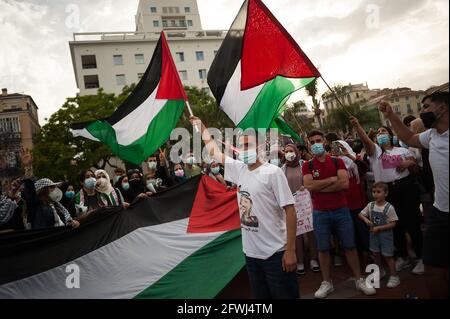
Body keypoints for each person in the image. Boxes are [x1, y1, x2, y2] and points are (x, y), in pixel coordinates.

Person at [191, 116, 299, 299]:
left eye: (248, 145)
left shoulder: (272, 173)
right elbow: (215, 153)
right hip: (251, 255)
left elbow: (290, 210)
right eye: (241, 146)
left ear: (260, 147)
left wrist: (290, 250)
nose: (243, 150)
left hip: (276, 254)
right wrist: (201, 128)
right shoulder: (239, 169)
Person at [378, 92, 449, 298]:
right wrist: (391, 115)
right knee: (433, 269)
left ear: (442, 108)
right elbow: (408, 137)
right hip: (440, 213)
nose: (422, 111)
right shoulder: (433, 135)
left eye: (426, 107)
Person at [302, 130, 376, 298]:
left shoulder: (337, 162)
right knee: (323, 249)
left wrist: (320, 186)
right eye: (312, 141)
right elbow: (309, 186)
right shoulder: (308, 165)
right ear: (308, 144)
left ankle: (359, 279)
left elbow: (343, 184)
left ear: (324, 142)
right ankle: (327, 282)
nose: (315, 144)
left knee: (350, 246)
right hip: (320, 213)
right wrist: (330, 180)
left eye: (318, 140)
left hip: (341, 211)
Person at [350, 116, 424, 275]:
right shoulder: (375, 151)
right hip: (386, 191)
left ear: (391, 135)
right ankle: (403, 256)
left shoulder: (403, 150)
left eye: (383, 131)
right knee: (394, 225)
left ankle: (420, 257)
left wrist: (409, 163)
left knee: (412, 223)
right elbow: (366, 142)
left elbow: (416, 169)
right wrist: (358, 126)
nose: (380, 133)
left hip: (406, 188)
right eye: (378, 132)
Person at [282, 143, 320, 275]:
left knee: (310, 230)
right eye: (286, 151)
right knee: (295, 232)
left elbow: (312, 180)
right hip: (291, 206)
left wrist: (306, 188)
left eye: (291, 150)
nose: (289, 153)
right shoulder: (282, 169)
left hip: (306, 203)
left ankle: (313, 259)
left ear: (297, 152)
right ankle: (299, 261)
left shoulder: (305, 164)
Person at [19, 149, 79, 230]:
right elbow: (30, 189)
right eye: (51, 187)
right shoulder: (35, 204)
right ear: (43, 190)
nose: (55, 189)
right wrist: (28, 167)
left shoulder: (56, 205)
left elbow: (63, 222)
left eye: (54, 187)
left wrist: (72, 222)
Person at [331, 140, 370, 262]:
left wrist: (348, 155)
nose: (339, 150)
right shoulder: (333, 162)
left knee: (362, 229)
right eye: (336, 148)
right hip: (342, 203)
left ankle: (367, 252)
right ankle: (354, 253)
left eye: (341, 147)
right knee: (349, 230)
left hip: (358, 202)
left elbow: (364, 168)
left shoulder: (355, 159)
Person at [359, 182, 400, 288]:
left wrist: (379, 228)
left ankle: (394, 276)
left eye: (378, 192)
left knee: (388, 256)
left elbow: (393, 223)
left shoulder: (389, 207)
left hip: (385, 236)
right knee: (375, 254)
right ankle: (380, 271)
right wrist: (366, 220)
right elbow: (361, 214)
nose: (376, 194)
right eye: (373, 192)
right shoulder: (370, 205)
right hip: (374, 235)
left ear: (385, 193)